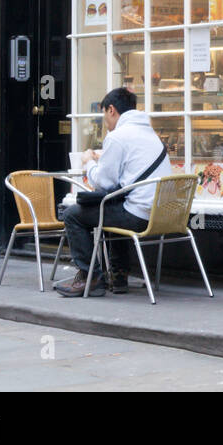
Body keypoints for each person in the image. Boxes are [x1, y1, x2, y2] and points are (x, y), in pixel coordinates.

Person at [54, 87, 170, 297]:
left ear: (111, 110)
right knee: (110, 208)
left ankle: (91, 277)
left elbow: (103, 184)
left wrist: (88, 162)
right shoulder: (151, 135)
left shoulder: (117, 137)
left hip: (138, 216)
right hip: (162, 216)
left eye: (104, 115)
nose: (105, 122)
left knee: (72, 215)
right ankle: (118, 277)